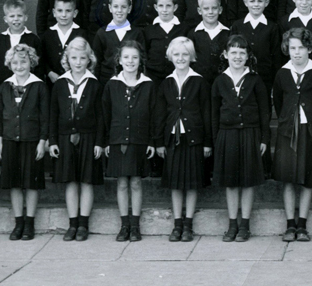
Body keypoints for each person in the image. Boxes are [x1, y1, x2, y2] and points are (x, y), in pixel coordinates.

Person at [211, 34, 271, 242]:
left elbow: (265, 111)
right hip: (227, 135)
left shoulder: (255, 80)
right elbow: (213, 113)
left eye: (242, 53)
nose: (237, 57)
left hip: (250, 134)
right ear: (225, 55)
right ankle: (232, 224)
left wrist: (264, 138)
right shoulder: (220, 81)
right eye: (233, 53)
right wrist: (215, 140)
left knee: (248, 181)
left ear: (248, 56)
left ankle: (245, 225)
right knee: (231, 182)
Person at [153, 37, 212, 243]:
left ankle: (188, 225)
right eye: (177, 54)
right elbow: (160, 114)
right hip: (172, 140)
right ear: (170, 56)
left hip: (193, 139)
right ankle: (177, 224)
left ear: (191, 57)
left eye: (185, 54)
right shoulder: (166, 83)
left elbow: (206, 113)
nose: (181, 58)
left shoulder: (199, 81)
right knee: (176, 183)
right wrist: (159, 141)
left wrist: (207, 142)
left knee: (192, 183)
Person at [272, 28, 312, 242]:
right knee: (287, 179)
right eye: (293, 48)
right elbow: (278, 100)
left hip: (309, 131)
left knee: (307, 179)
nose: (297, 52)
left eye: (301, 48)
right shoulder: (282, 73)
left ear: (309, 48)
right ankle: (290, 225)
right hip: (287, 132)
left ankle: (302, 224)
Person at [48, 37, 104, 242]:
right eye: (74, 58)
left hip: (89, 137)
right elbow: (53, 114)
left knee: (87, 181)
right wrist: (52, 140)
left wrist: (99, 142)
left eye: (82, 58)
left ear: (89, 59)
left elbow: (100, 116)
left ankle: (84, 224)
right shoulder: (60, 84)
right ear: (67, 59)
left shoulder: (95, 84)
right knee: (70, 181)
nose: (78, 62)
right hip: (64, 138)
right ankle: (72, 223)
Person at [102, 42, 156, 242]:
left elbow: (154, 115)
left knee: (135, 181)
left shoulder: (148, 85)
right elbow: (106, 114)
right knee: (122, 182)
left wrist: (151, 141)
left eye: (134, 57)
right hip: (117, 140)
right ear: (119, 60)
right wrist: (107, 141)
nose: (130, 61)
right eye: (126, 57)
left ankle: (135, 225)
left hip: (139, 140)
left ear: (140, 60)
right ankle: (124, 224)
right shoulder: (112, 85)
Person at [0, 43, 49, 241]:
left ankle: (29, 222)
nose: (19, 66)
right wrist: (0, 142)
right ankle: (18, 222)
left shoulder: (39, 86)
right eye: (15, 62)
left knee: (31, 183)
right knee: (15, 183)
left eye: (24, 61)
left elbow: (45, 117)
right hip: (10, 141)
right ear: (10, 64)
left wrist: (42, 141)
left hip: (32, 140)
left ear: (31, 62)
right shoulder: (4, 87)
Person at [230, 0, 281, 87]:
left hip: (265, 77)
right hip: (241, 76)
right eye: (252, 1)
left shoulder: (272, 27)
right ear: (245, 2)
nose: (256, 4)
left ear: (266, 3)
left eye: (260, 1)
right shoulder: (237, 26)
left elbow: (276, 56)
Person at [92, 0, 141, 87]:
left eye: (123, 7)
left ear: (129, 9)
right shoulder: (102, 33)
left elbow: (142, 59)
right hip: (106, 81)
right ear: (110, 8)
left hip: (131, 81)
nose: (119, 10)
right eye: (116, 6)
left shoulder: (136, 33)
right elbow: (96, 61)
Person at [138, 0, 187, 87]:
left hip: (177, 76)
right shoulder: (148, 30)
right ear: (156, 7)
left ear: (175, 7)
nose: (164, 10)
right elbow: (144, 53)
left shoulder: (183, 29)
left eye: (168, 6)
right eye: (161, 6)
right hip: (153, 76)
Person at [0, 0, 44, 83]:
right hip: (3, 87)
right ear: (5, 19)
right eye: (12, 16)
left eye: (19, 16)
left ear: (25, 17)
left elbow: (39, 67)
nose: (16, 19)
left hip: (28, 87)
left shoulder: (33, 39)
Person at [40, 0, 84, 83]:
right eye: (60, 10)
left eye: (68, 11)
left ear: (75, 13)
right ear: (54, 12)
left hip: (76, 82)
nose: (63, 15)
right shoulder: (47, 35)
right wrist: (49, 73)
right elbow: (42, 58)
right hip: (52, 84)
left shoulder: (82, 34)